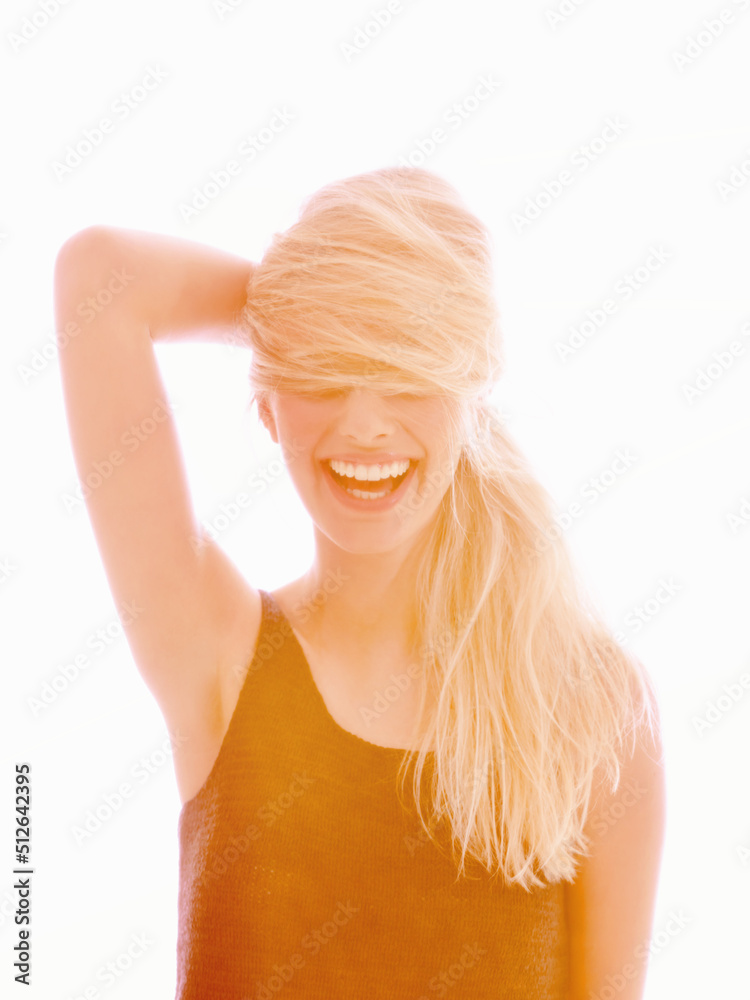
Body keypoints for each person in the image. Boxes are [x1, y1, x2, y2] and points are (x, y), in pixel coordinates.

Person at [54, 166, 665, 999]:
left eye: (406, 366)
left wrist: (342, 314)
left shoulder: (592, 711)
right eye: (329, 370)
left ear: (469, 400)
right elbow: (100, 280)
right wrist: (305, 311)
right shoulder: (220, 661)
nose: (366, 422)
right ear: (268, 405)